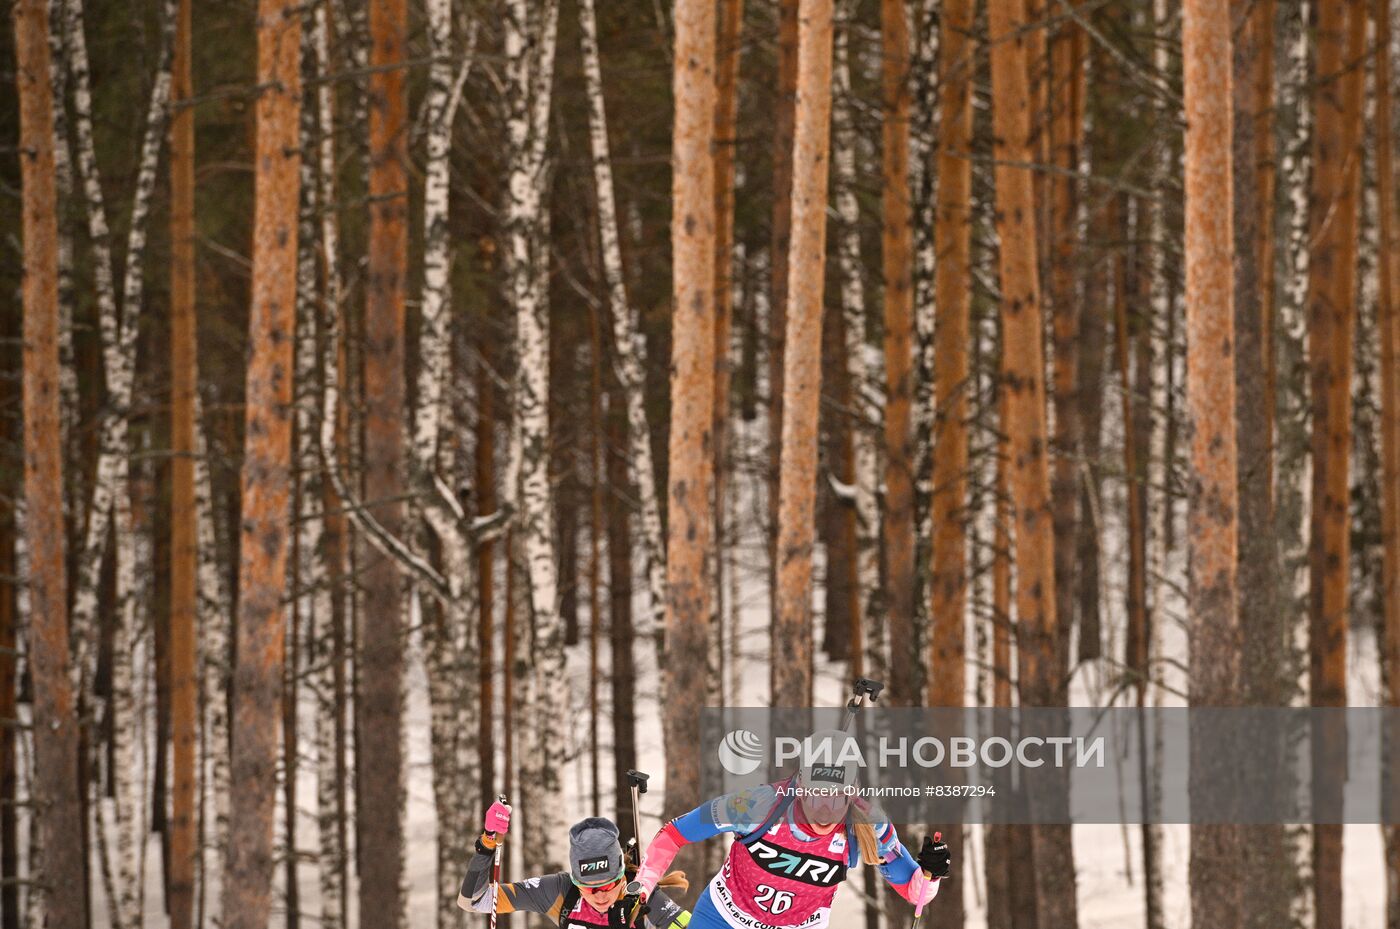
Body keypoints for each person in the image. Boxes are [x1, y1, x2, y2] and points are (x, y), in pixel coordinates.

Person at [628, 731, 951, 929]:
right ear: (800, 785)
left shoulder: (868, 824)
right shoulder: (757, 805)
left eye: (837, 798)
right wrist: (643, 885)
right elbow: (675, 833)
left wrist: (931, 874)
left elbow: (915, 893)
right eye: (816, 795)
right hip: (724, 918)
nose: (825, 811)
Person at [458, 800, 693, 927]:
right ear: (575, 881)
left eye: (608, 885)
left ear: (622, 877)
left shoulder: (643, 896)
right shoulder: (559, 892)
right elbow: (474, 901)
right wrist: (488, 843)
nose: (600, 896)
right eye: (589, 888)